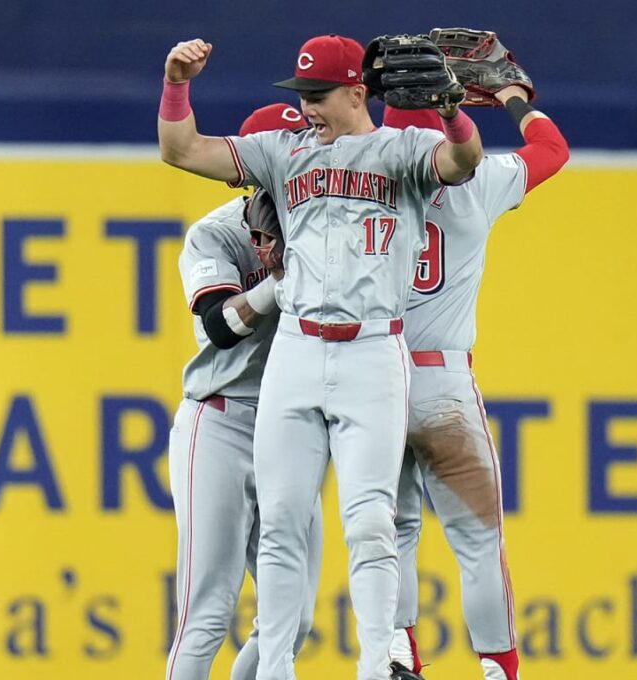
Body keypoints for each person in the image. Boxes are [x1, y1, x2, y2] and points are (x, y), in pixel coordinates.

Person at [157, 34, 483, 680]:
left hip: (371, 350)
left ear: (359, 92)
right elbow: (181, 149)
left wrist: (452, 109)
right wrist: (176, 84)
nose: (306, 107)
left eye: (318, 94)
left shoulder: (400, 152)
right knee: (279, 525)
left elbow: (464, 161)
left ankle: (374, 665)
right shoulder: (283, 156)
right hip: (295, 354)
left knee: (369, 521)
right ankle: (275, 672)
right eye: (301, 95)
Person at [381, 82, 569, 680]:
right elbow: (553, 149)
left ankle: (397, 652)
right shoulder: (479, 180)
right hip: (444, 385)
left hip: (375, 376)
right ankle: (496, 670)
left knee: (391, 533)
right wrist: (513, 98)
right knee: (478, 543)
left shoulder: (364, 183)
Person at [164, 103, 324, 680]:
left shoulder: (331, 229)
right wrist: (277, 287)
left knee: (296, 616)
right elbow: (217, 327)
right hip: (221, 419)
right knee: (207, 609)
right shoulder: (218, 232)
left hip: (292, 425)